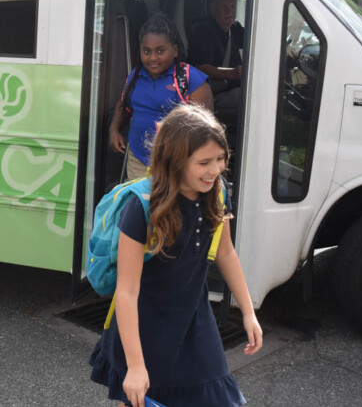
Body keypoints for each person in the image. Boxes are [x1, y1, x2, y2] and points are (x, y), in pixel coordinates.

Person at [90, 103, 262, 407]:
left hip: (194, 323)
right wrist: (135, 365)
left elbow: (226, 254)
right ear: (175, 161)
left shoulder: (217, 191)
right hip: (144, 330)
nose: (215, 170)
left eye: (221, 159)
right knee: (139, 400)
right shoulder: (142, 208)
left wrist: (248, 312)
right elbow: (127, 291)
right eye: (204, 162)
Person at [109, 12, 213, 180]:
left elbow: (205, 130)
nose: (153, 58)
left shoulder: (190, 79)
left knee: (167, 206)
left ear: (175, 50)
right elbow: (124, 105)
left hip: (176, 164)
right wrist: (114, 130)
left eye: (160, 51)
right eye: (147, 51)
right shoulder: (135, 76)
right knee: (140, 205)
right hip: (138, 160)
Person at [187, 0, 245, 110]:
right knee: (250, 97)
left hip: (233, 87)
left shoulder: (234, 28)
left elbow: (257, 42)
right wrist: (233, 73)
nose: (229, 11)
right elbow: (202, 68)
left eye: (233, 6)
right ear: (213, 8)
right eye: (224, 6)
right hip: (215, 94)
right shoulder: (204, 30)